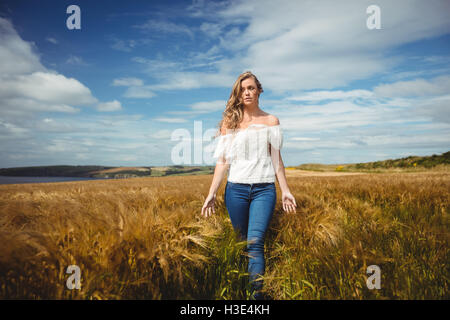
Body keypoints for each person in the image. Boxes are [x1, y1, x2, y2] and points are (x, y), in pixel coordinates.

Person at [201, 71, 297, 300]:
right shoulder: (230, 122)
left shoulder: (271, 121)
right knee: (241, 242)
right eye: (243, 89)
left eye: (251, 88)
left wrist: (285, 190)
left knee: (255, 243)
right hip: (236, 190)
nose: (247, 92)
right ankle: (240, 288)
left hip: (264, 189)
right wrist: (211, 193)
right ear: (238, 93)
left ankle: (257, 297)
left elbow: (277, 159)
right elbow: (222, 161)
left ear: (259, 90)